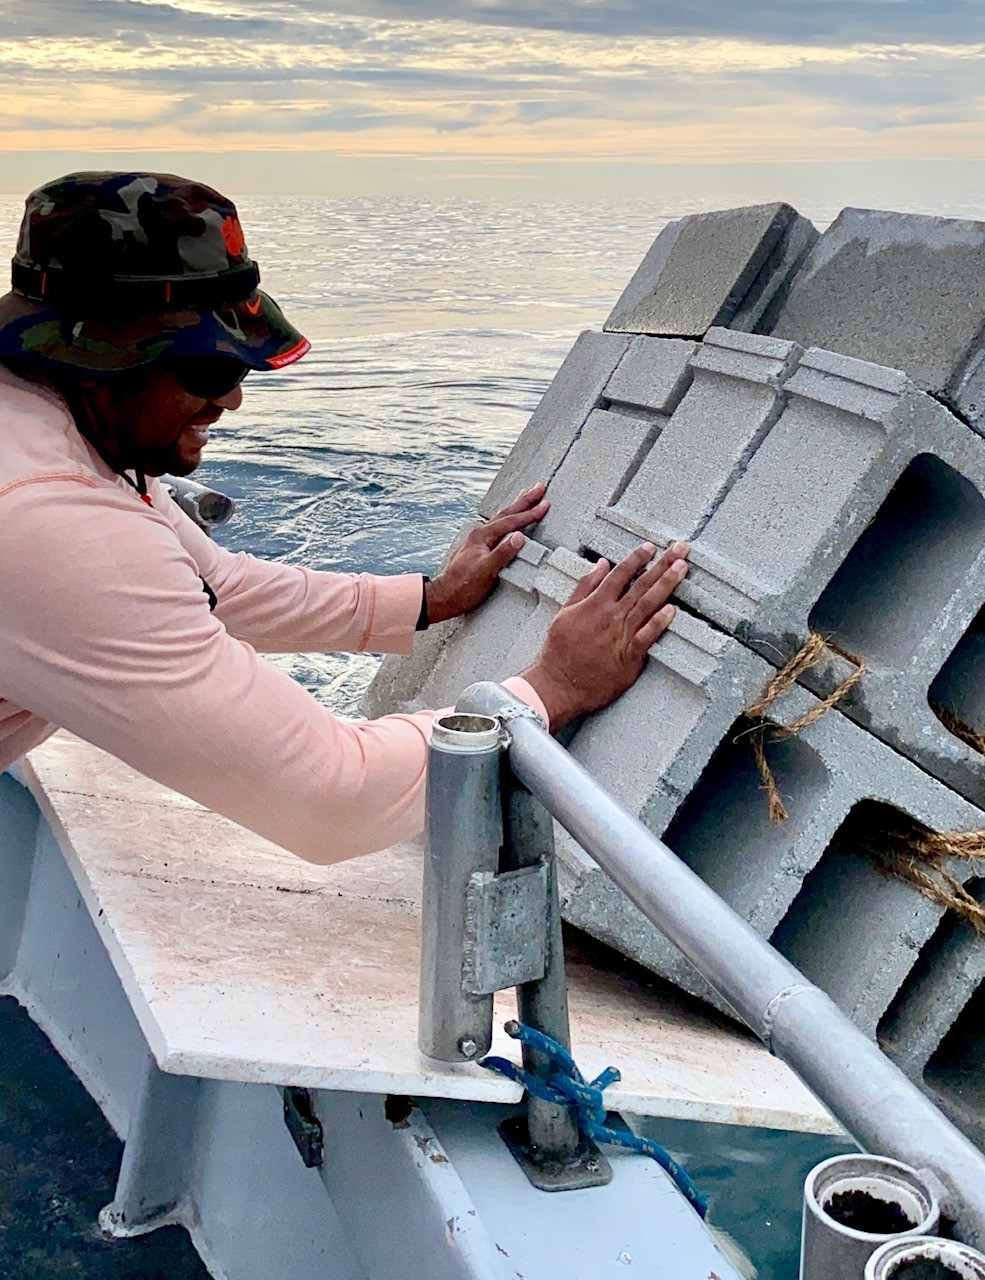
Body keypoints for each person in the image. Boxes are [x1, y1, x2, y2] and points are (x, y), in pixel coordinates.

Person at [0, 172, 689, 863]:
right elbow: (332, 800)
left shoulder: (56, 421)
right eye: (210, 371)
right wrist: (553, 689)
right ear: (97, 360)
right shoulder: (54, 518)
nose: (231, 402)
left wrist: (430, 599)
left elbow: (217, 587)